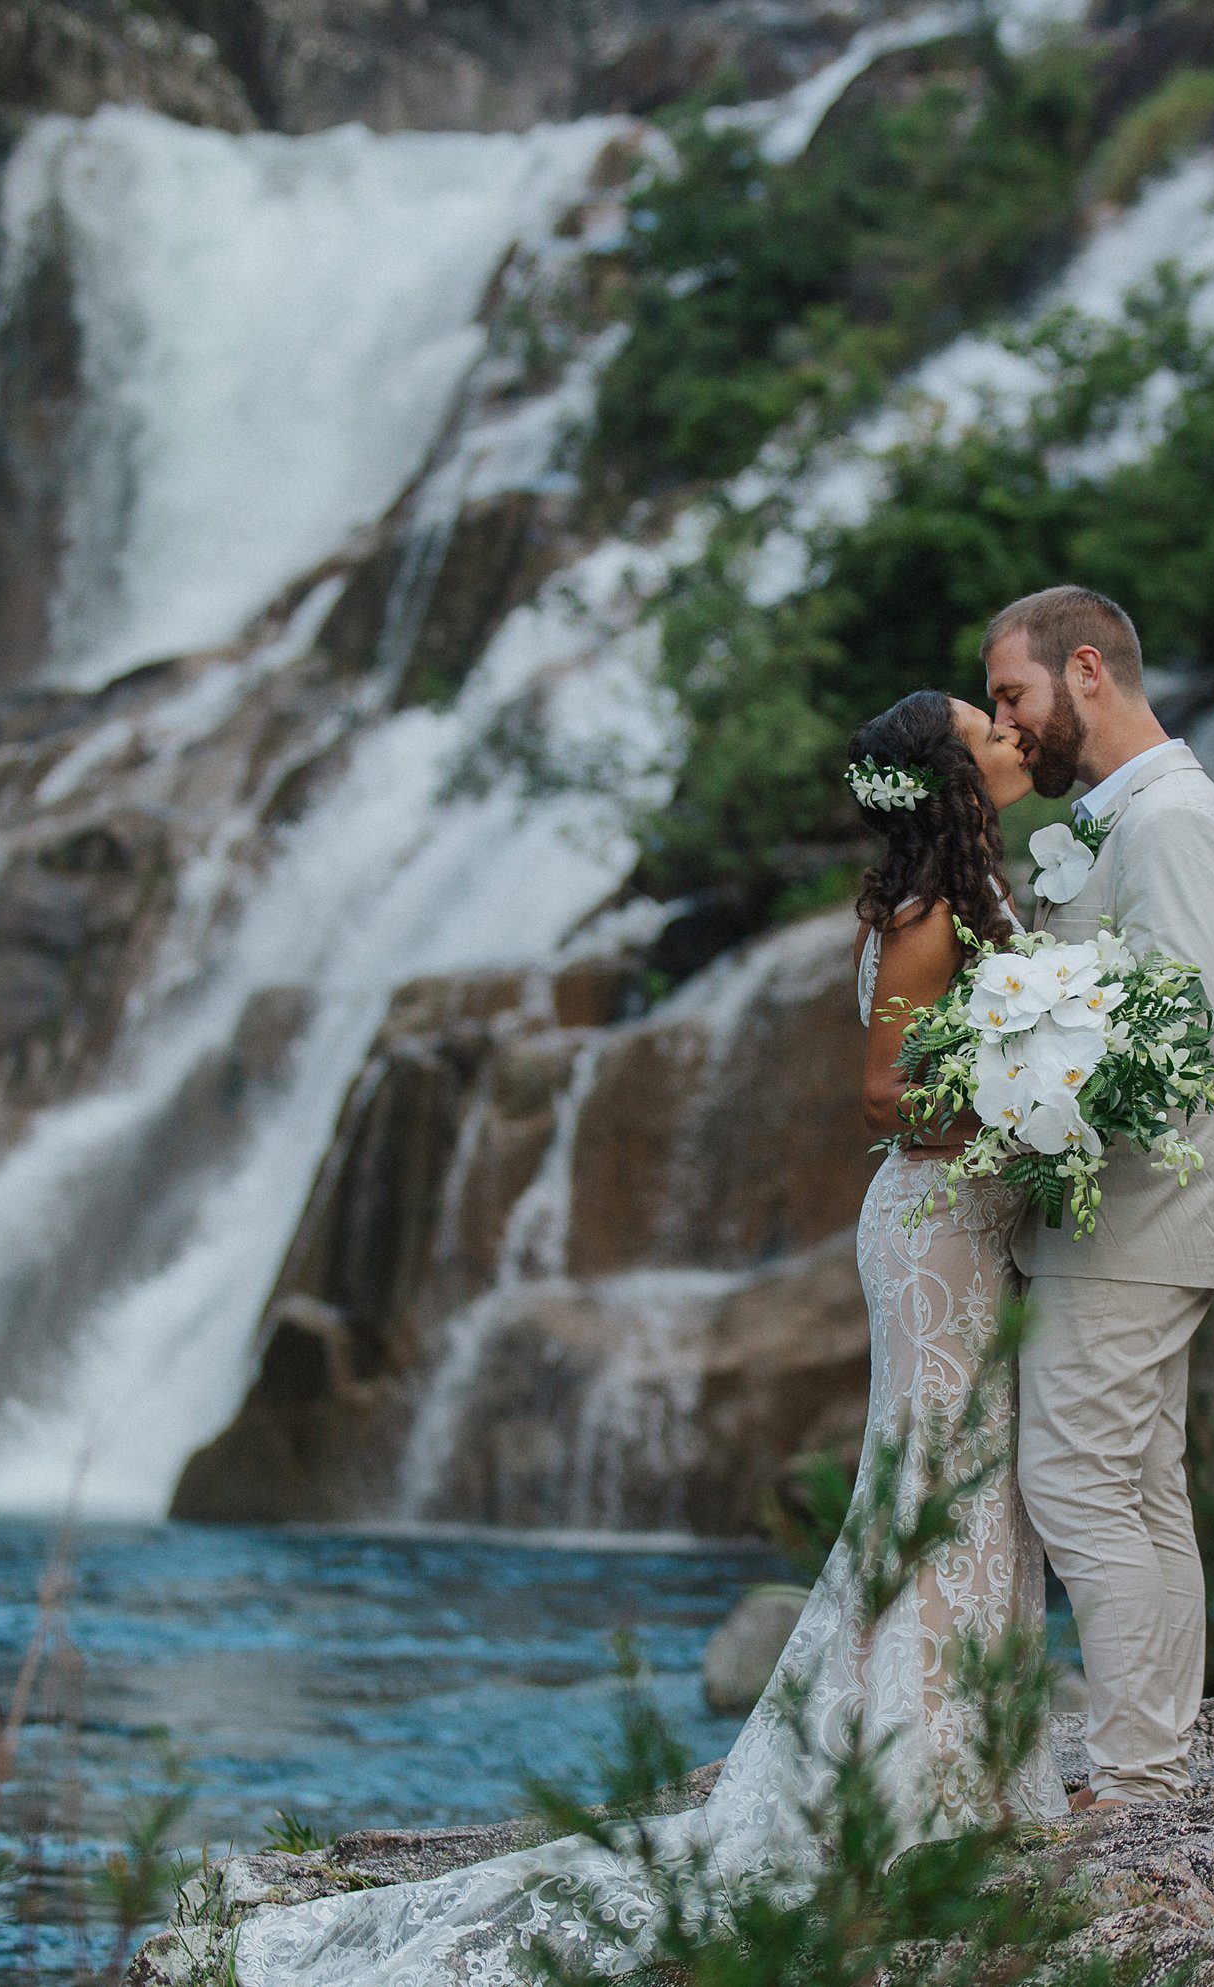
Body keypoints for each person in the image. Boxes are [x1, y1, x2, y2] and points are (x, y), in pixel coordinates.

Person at [226, 690, 1062, 1987]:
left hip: (966, 1216)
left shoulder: (970, 893)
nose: (1015, 734)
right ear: (955, 773)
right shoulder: (925, 913)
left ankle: (965, 1755)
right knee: (943, 1471)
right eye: (988, 726)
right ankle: (919, 1775)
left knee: (972, 1471)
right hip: (933, 1223)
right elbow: (886, 1092)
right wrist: (1022, 1111)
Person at [980, 584, 1214, 1808]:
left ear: (1087, 671)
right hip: (1126, 1211)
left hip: (1141, 1208)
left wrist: (1014, 1084)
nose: (1008, 726)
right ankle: (1150, 1757)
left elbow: (1177, 1022)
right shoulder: (1123, 822)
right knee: (1140, 1483)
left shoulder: (1173, 824)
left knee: (1075, 1480)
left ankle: (1138, 1774)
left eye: (1014, 694)